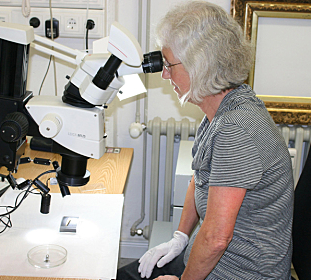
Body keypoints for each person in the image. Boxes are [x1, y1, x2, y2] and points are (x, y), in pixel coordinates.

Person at [117, 1, 294, 279]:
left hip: (240, 272)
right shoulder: (221, 108)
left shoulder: (236, 129)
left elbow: (215, 239)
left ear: (200, 65)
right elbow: (199, 178)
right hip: (213, 259)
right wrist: (180, 236)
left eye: (169, 65)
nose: (164, 75)